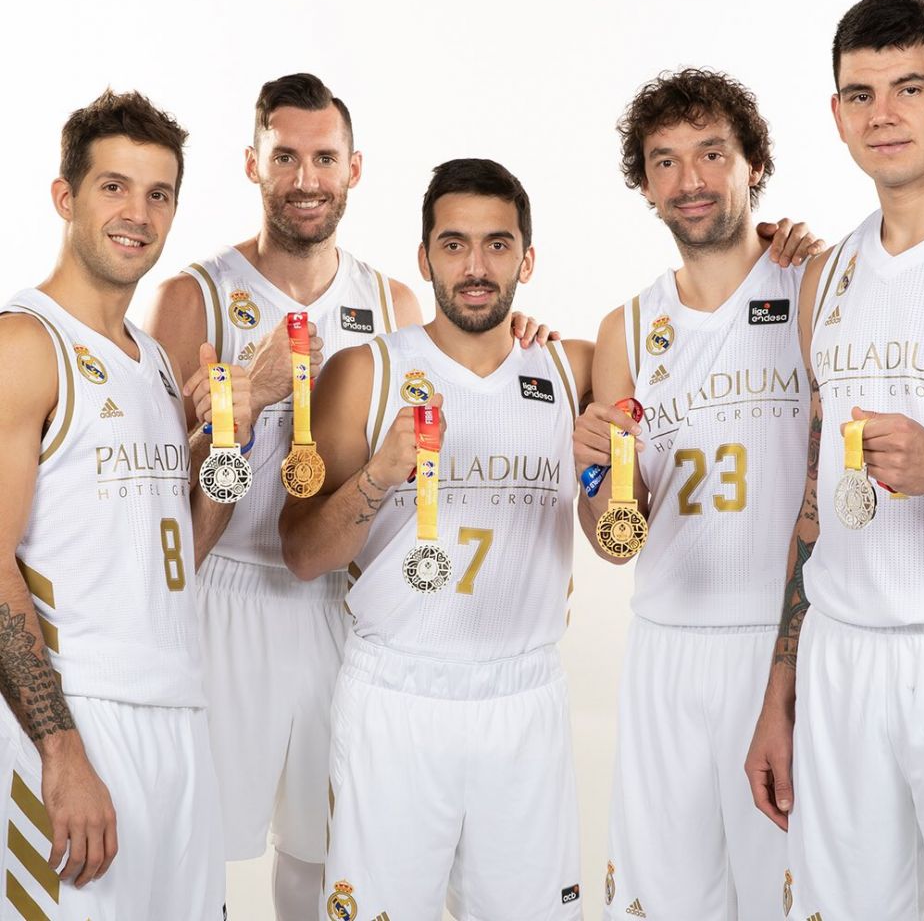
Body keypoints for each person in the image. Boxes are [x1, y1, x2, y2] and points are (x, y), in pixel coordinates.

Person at [145, 74, 552, 920]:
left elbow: (470, 366)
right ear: (252, 163)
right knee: (201, 846)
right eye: (285, 156)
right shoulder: (196, 294)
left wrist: (529, 341)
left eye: (323, 157)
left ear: (354, 168)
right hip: (230, 592)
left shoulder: (389, 298)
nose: (305, 177)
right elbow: (154, 493)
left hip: (341, 598)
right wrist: (231, 406)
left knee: (326, 848)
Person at [280, 158, 592, 921]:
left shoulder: (571, 364)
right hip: (398, 696)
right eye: (453, 245)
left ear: (527, 257)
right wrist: (379, 477)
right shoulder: (368, 370)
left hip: (524, 698)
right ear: (423, 259)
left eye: (497, 244)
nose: (476, 267)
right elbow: (300, 553)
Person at [746, 0, 924, 920]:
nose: (883, 115)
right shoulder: (829, 273)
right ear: (836, 113)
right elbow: (813, 499)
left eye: (910, 88)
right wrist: (781, 690)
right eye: (860, 95)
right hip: (844, 657)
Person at [573, 68, 824, 920]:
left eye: (712, 153)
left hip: (787, 642)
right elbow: (616, 539)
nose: (690, 181)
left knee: (790, 896)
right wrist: (602, 474)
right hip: (667, 650)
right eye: (666, 161)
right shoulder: (628, 328)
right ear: (644, 185)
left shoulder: (813, 286)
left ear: (754, 163)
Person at [0, 89, 249, 919]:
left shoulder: (148, 362)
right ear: (65, 197)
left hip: (178, 712)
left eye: (159, 193)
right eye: (113, 187)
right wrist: (60, 751)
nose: (137, 213)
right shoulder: (24, 343)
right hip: (78, 719)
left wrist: (227, 447)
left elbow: (180, 549)